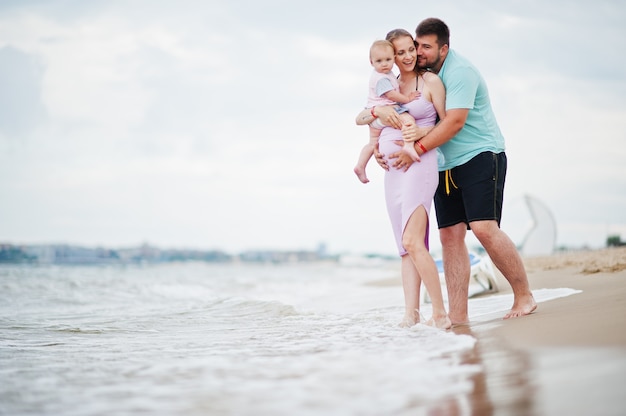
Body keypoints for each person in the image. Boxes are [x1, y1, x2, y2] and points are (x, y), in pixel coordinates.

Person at [374, 18, 537, 325]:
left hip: (480, 153)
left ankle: (524, 294)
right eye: (415, 46)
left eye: (425, 47)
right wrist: (377, 140)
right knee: (449, 236)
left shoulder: (459, 72)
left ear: (443, 48)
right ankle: (458, 315)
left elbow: (453, 122)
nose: (418, 53)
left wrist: (416, 150)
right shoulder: (418, 76)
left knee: (484, 227)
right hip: (444, 164)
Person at [355, 29, 450, 329]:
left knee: (413, 240)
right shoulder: (389, 84)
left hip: (419, 163)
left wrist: (422, 133)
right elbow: (360, 117)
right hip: (393, 170)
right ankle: (411, 315)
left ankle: (440, 313)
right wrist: (375, 112)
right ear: (391, 57)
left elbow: (447, 123)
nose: (408, 56)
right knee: (404, 247)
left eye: (412, 50)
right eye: (402, 52)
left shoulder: (430, 81)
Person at [354, 40, 421, 184]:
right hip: (386, 111)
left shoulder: (383, 74)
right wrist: (407, 98)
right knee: (408, 120)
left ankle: (360, 166)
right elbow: (391, 95)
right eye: (379, 61)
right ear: (371, 62)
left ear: (394, 58)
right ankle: (409, 146)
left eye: (388, 60)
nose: (384, 64)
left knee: (372, 143)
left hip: (374, 120)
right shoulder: (382, 78)